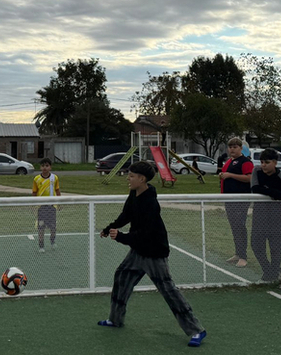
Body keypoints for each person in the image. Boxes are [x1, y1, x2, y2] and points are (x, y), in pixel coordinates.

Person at [97, 161, 207, 347]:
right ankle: (115, 319)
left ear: (142, 179)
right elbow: (126, 215)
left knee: (168, 290)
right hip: (138, 250)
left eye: (131, 176)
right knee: (122, 277)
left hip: (154, 252)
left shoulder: (151, 203)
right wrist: (110, 228)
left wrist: (122, 237)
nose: (128, 179)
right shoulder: (134, 194)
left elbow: (146, 234)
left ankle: (197, 330)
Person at [250, 148, 281, 281]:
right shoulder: (257, 171)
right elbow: (255, 188)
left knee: (275, 247)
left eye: (267, 162)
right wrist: (273, 192)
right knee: (256, 245)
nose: (263, 165)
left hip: (275, 216)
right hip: (259, 215)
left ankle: (274, 273)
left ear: (275, 163)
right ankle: (268, 270)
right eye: (262, 162)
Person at [219, 137, 254, 268]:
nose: (232, 149)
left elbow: (249, 178)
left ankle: (243, 256)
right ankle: (238, 253)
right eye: (230, 147)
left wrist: (230, 175)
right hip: (229, 199)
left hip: (240, 200)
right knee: (234, 227)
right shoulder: (228, 162)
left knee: (240, 226)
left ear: (240, 148)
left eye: (235, 147)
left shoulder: (245, 162)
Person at [32, 158, 61, 252]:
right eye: (43, 166)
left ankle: (52, 242)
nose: (45, 168)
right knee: (41, 226)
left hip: (51, 206)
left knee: (53, 226)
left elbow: (57, 190)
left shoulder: (54, 178)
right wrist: (33, 204)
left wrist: (60, 202)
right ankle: (41, 245)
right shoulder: (37, 179)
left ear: (50, 167)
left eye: (47, 166)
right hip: (41, 206)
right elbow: (34, 192)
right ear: (40, 167)